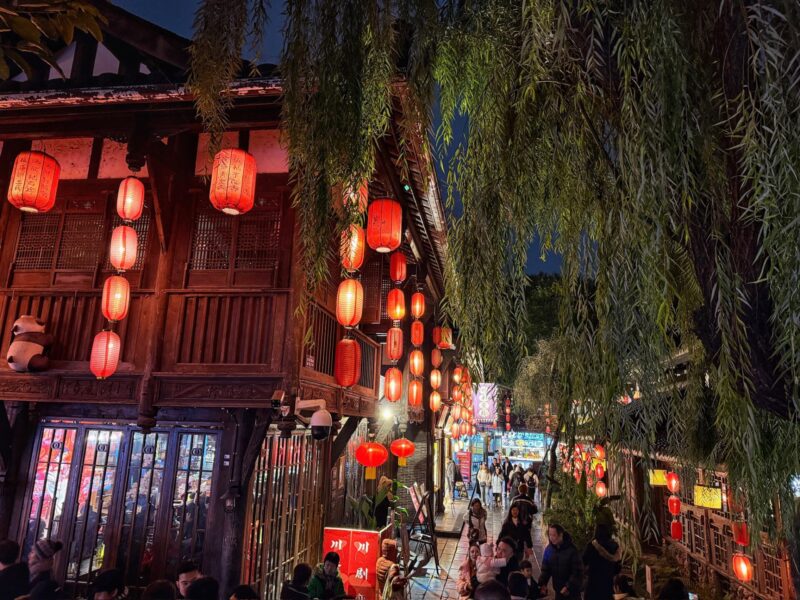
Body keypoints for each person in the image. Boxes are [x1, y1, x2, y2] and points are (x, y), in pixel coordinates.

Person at [538, 523, 581, 600]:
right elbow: (545, 569)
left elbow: (577, 572)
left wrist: (568, 587)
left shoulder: (572, 550)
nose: (551, 538)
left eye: (554, 535)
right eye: (550, 535)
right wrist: (542, 583)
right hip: (558, 591)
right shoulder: (549, 549)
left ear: (561, 535)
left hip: (572, 592)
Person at [583, 524, 621, 600]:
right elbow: (618, 568)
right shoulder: (614, 547)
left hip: (593, 583)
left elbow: (584, 561)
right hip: (607, 584)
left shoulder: (591, 546)